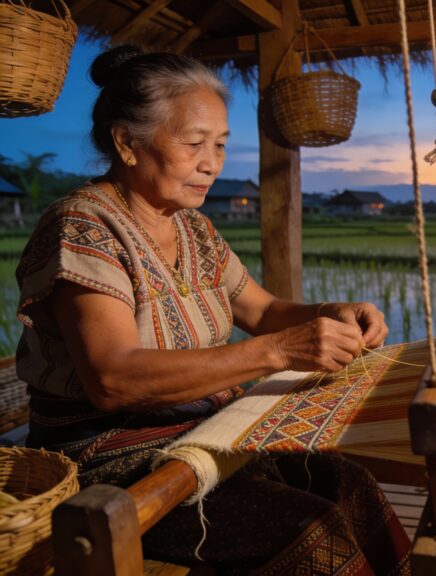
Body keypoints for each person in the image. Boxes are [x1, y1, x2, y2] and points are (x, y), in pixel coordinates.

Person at [15, 46, 410, 575]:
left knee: (350, 485)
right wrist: (277, 352)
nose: (212, 163)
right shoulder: (84, 228)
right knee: (310, 532)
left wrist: (331, 311)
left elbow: (264, 310)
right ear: (127, 142)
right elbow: (113, 378)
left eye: (221, 145)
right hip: (112, 462)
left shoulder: (193, 227)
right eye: (195, 143)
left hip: (204, 435)